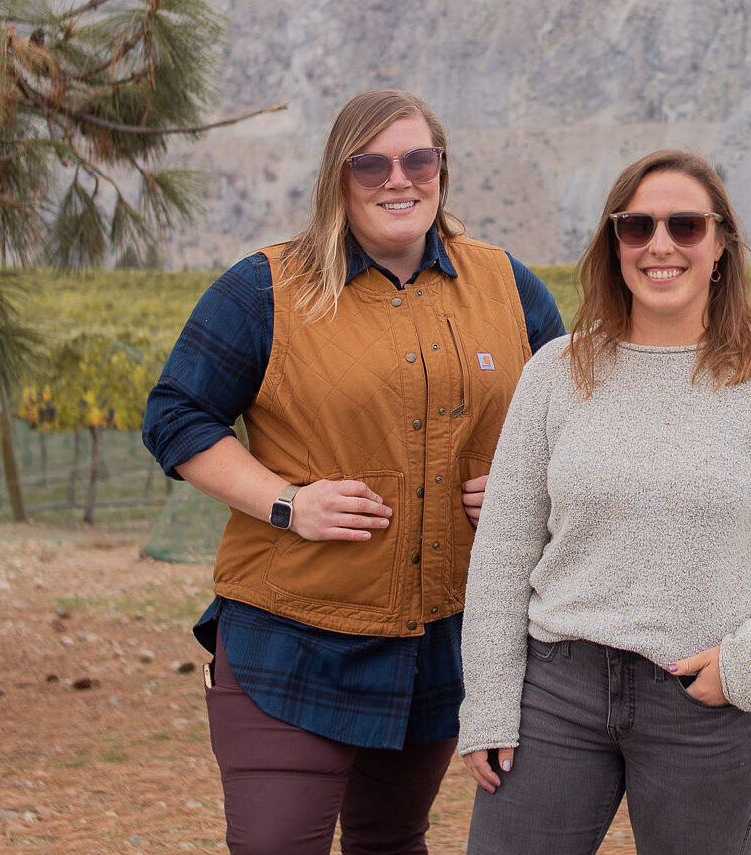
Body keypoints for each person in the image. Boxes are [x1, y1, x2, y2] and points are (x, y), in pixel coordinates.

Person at [142, 88, 564, 855]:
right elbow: (176, 416)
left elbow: (569, 422)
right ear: (339, 176)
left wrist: (525, 486)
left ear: (441, 169)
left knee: (390, 841)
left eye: (418, 160)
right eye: (371, 164)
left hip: (438, 637)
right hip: (290, 636)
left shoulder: (508, 285)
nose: (398, 179)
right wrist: (286, 502)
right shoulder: (264, 288)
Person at [457, 150, 751, 855]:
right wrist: (487, 701)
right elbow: (506, 547)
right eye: (637, 227)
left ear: (721, 245)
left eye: (685, 225)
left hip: (706, 702)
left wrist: (750, 662)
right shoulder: (554, 374)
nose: (660, 244)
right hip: (557, 694)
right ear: (615, 245)